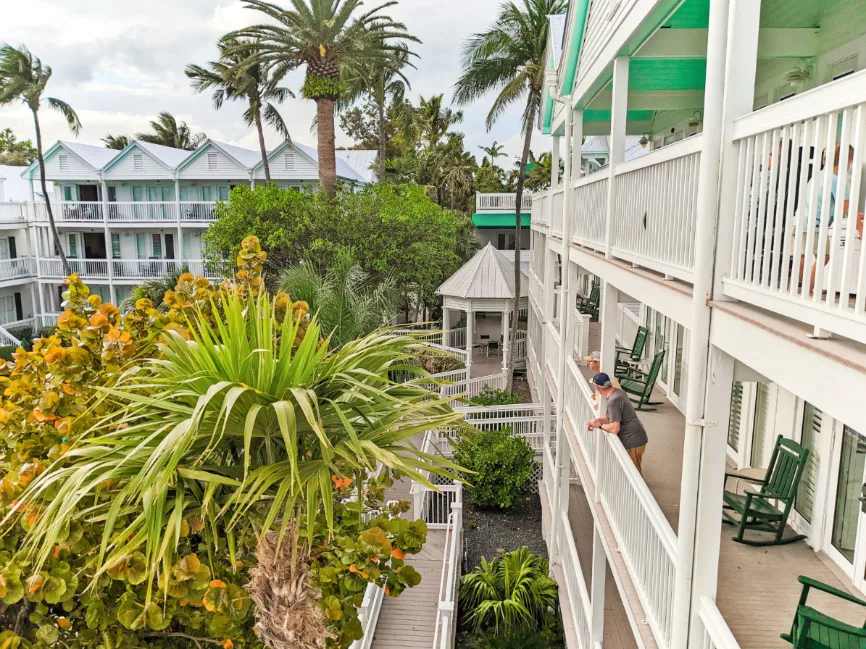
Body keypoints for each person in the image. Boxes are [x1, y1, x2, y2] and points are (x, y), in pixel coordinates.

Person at [791, 143, 864, 294]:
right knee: (823, 256)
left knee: (805, 255)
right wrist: (860, 227)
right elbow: (847, 207)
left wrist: (856, 215)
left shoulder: (818, 176)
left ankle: (795, 288)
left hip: (800, 221)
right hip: (814, 225)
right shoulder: (837, 181)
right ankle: (807, 290)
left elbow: (826, 203)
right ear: (848, 162)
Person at [586, 372, 648, 474]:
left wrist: (599, 425)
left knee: (634, 475)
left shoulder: (613, 401)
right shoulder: (619, 392)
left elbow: (614, 429)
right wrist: (599, 420)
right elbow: (615, 417)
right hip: (636, 437)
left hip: (633, 441)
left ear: (597, 387)